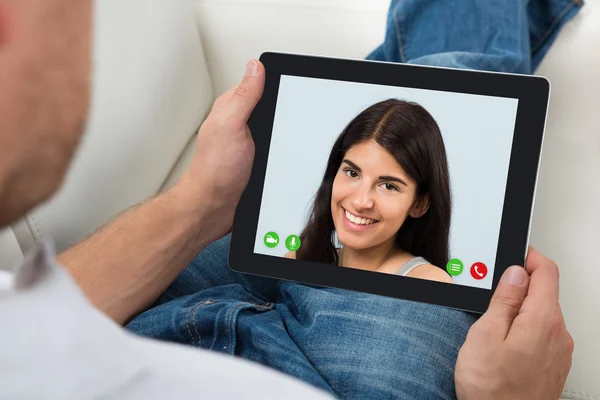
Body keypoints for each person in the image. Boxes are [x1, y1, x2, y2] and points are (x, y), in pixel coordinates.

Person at [0, 0, 577, 399]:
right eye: (352, 172)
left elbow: (24, 327)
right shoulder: (426, 279)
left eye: (388, 184)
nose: (360, 197)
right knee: (455, 75)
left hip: (146, 327)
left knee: (432, 85)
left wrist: (201, 203)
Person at [288, 99, 453, 283]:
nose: (360, 202)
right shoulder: (298, 260)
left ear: (419, 204)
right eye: (352, 173)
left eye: (389, 186)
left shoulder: (428, 282)